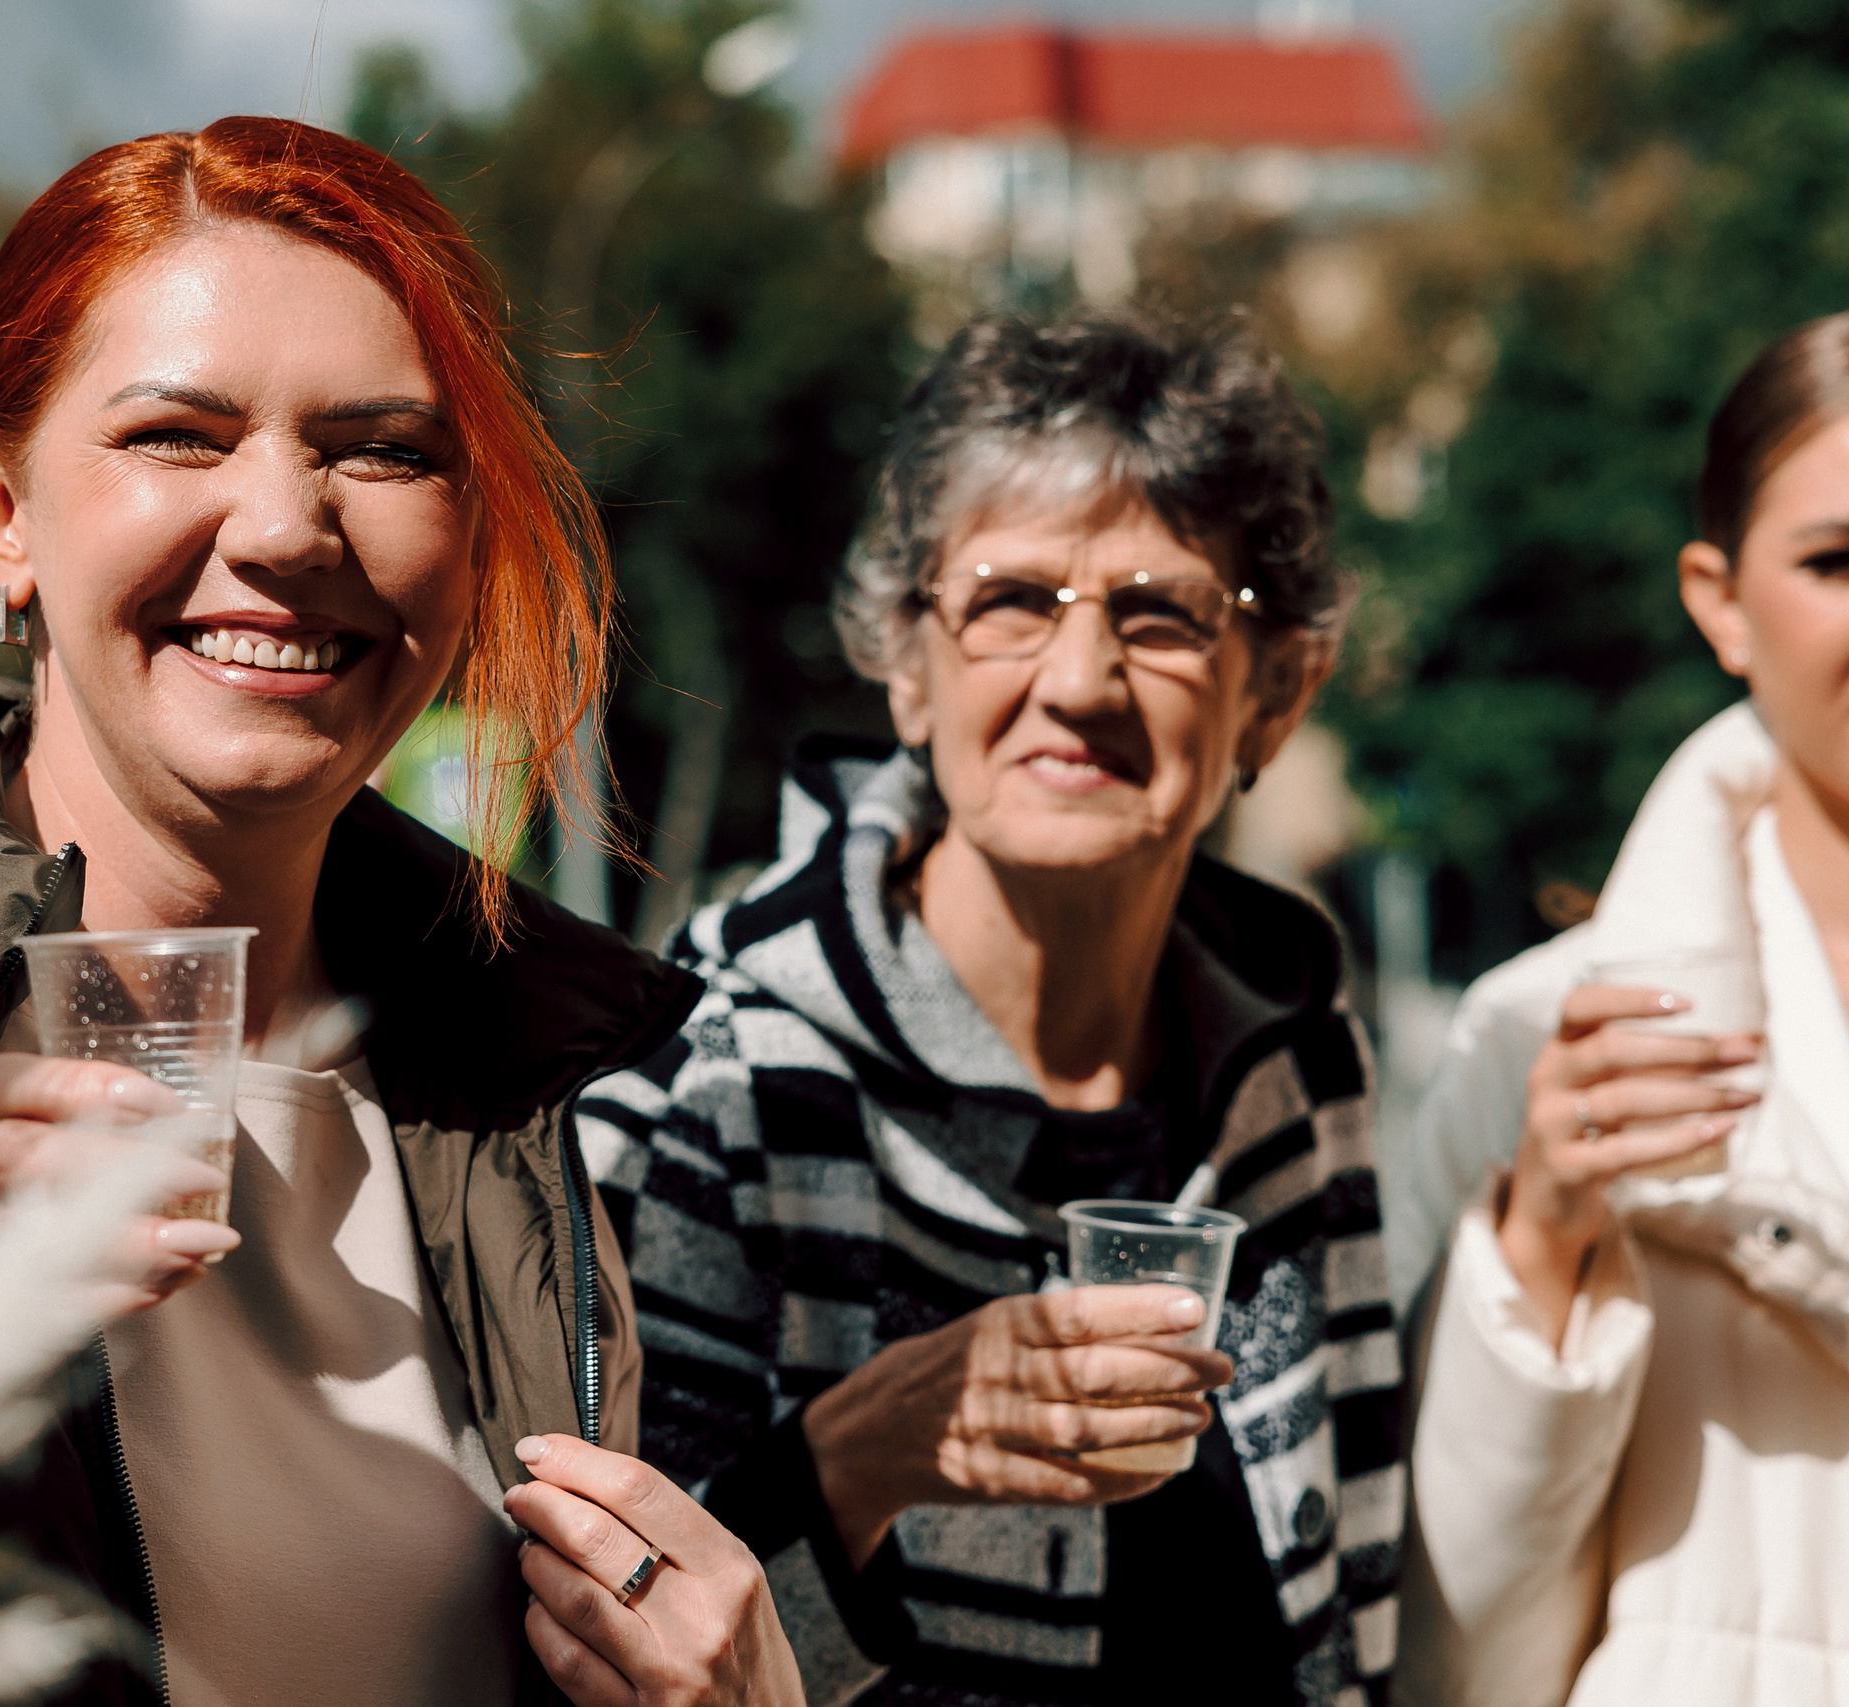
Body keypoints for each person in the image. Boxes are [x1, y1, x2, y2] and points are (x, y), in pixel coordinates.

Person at [0, 118, 802, 1707]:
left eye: (384, 448)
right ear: (0, 512)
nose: (285, 526)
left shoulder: (511, 1097)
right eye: (180, 437)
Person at [579, 314, 1403, 1707]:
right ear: (908, 662)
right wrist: (861, 1460)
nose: (1077, 685)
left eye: (1160, 614)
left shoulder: (1297, 1063)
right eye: (1012, 602)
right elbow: (607, 1645)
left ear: (1277, 696)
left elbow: (1355, 1593)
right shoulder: (710, 1071)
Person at [1396, 305, 1849, 1704]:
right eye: (1844, 558)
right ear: (1718, 601)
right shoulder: (1550, 1043)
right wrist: (1541, 1244)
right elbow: (1460, 1666)